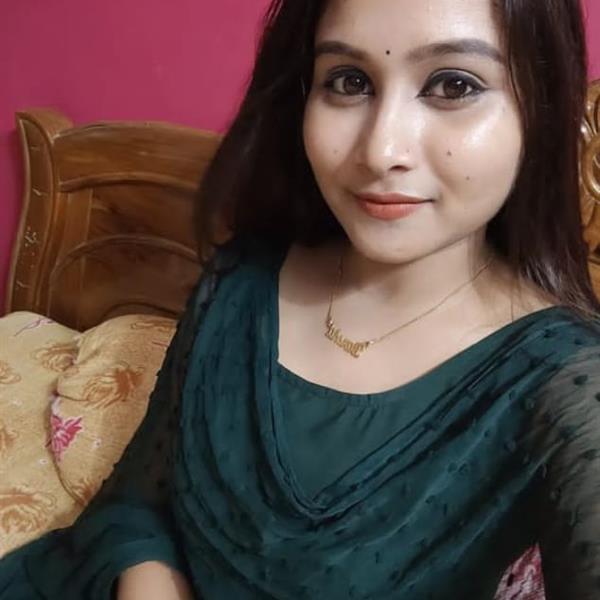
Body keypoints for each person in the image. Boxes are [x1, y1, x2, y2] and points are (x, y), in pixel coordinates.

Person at [1, 0, 599, 598]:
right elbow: (138, 503)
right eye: (349, 82)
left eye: (454, 85)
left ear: (540, 110)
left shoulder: (565, 382)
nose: (379, 150)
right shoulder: (244, 279)